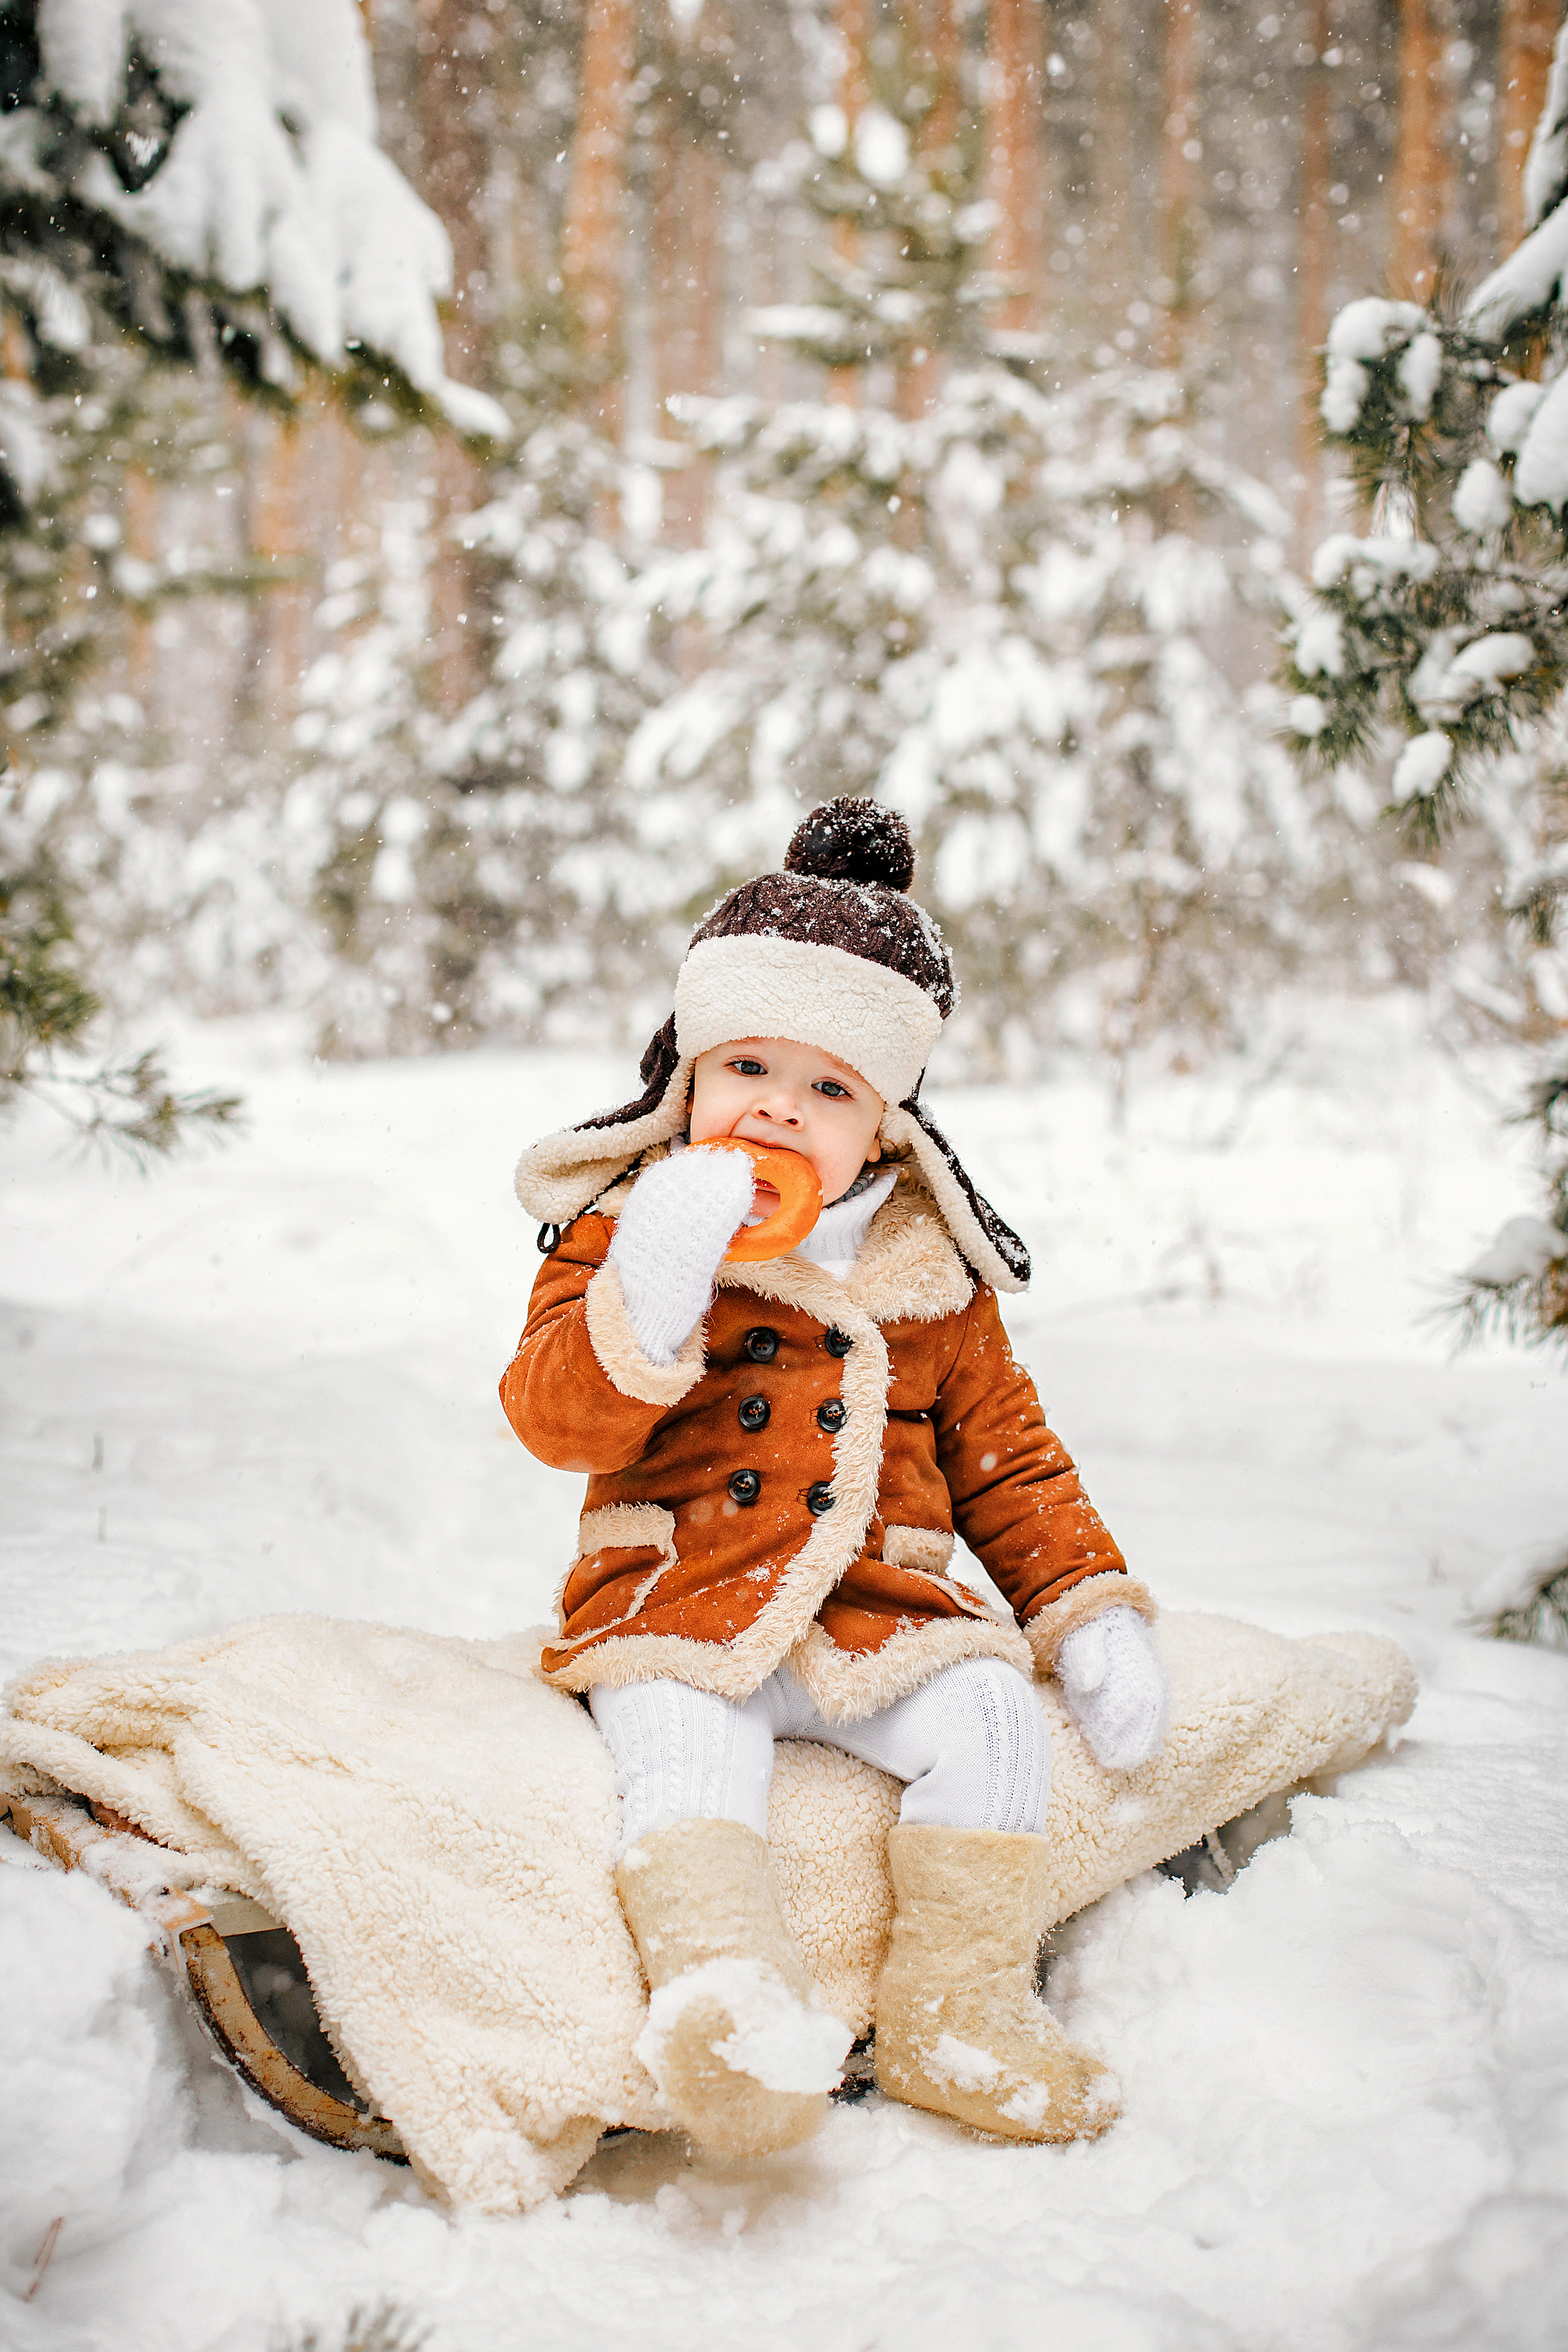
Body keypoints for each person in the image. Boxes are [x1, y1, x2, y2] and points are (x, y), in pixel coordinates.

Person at [503, 799, 1167, 2160]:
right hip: (676, 1600)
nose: (778, 1111)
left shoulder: (929, 1272)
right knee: (684, 1761)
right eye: (747, 1066)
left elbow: (1007, 1459)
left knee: (993, 1720)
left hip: (880, 1612)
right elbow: (556, 1421)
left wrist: (1086, 1607)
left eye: (828, 1089)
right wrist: (653, 1283)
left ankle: (956, 2010)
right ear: (686, 1078)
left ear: (881, 1124)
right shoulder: (623, 1232)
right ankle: (728, 2011)